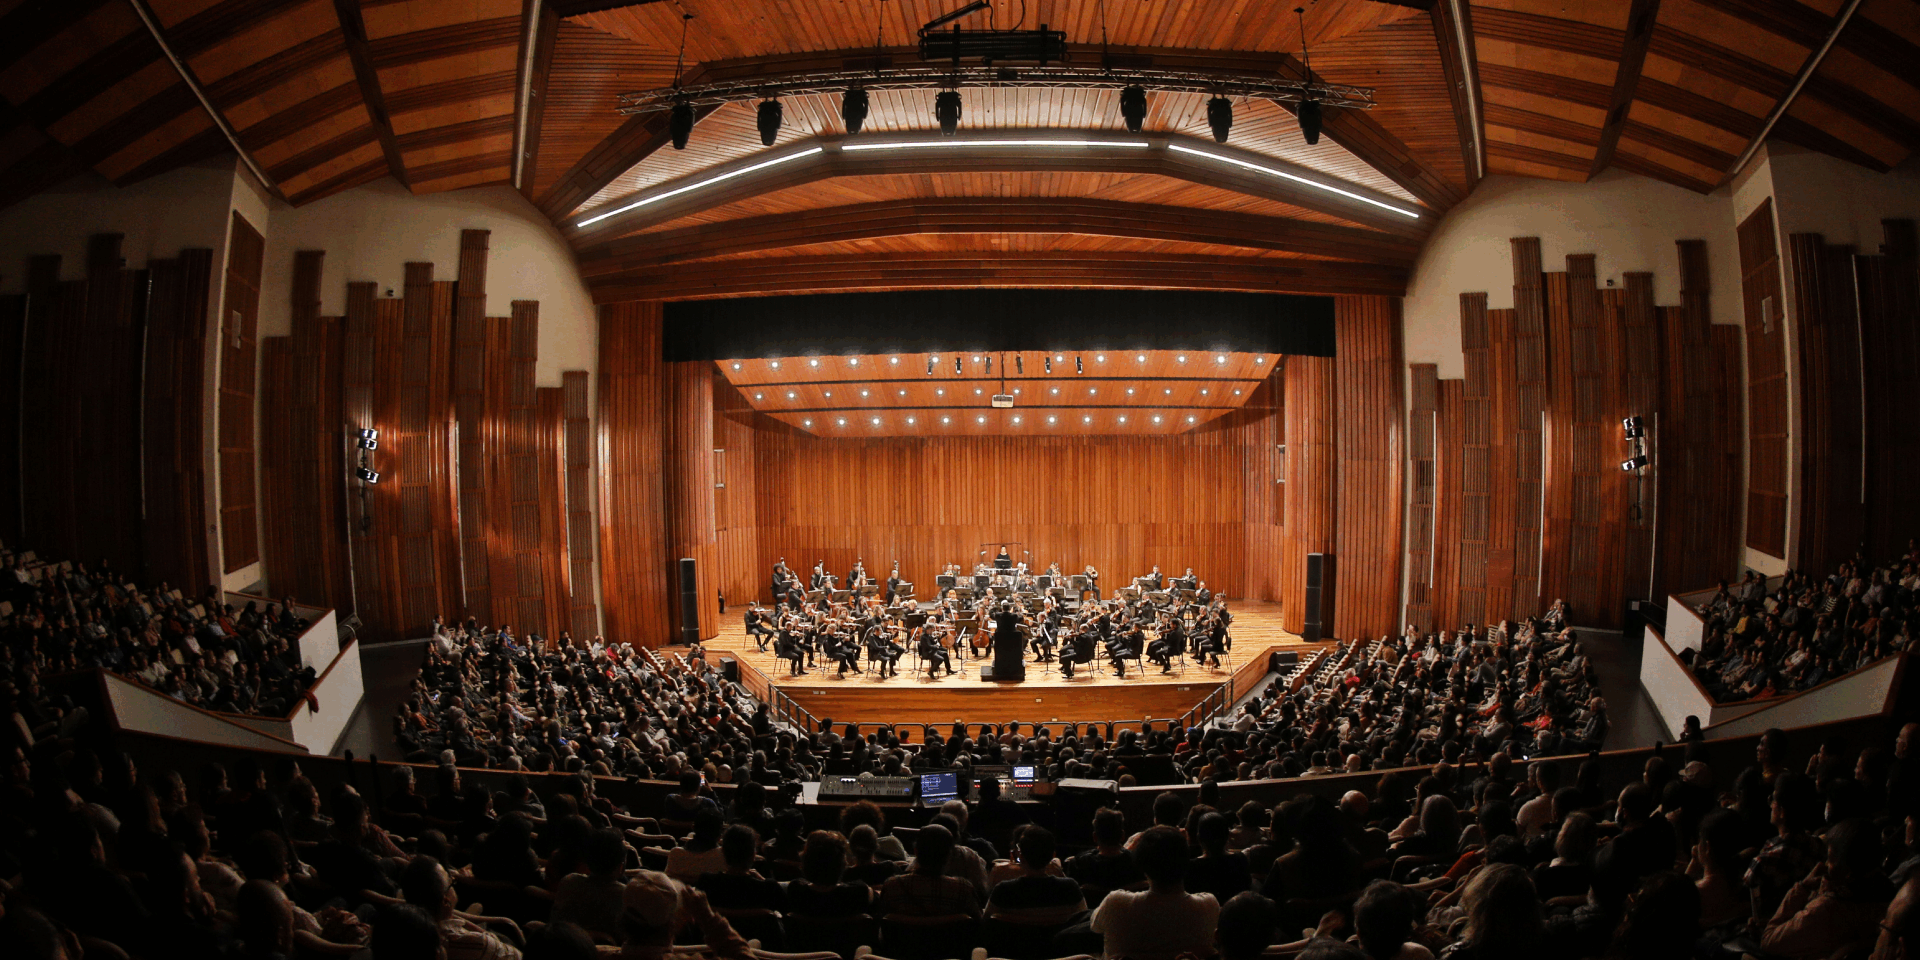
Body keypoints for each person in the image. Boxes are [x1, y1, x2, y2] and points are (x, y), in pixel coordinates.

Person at [1088, 825, 1219, 960]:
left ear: (1141, 864)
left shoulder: (1116, 903)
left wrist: (1126, 850)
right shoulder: (1209, 906)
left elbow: (1095, 926)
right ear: (1186, 860)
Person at [876, 824, 980, 919]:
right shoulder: (963, 890)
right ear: (950, 855)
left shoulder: (892, 886)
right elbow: (978, 925)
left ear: (916, 852)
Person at [985, 826, 1084, 921]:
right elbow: (1084, 920)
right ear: (1053, 856)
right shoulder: (1070, 888)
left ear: (1021, 856)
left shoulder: (1003, 891)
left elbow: (985, 922)